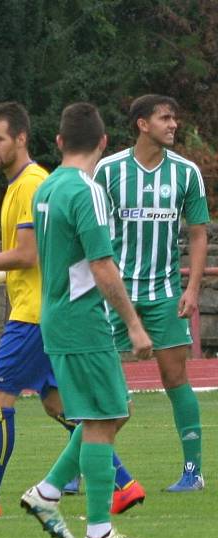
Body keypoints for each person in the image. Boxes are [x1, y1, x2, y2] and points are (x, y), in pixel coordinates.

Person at [0, 102, 143, 519]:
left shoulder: (36, 184)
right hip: (55, 315)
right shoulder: (30, 185)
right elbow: (47, 254)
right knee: (66, 406)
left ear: (23, 138)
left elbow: (32, 255)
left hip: (36, 315)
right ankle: (118, 485)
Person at [21, 102, 155, 538]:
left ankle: (47, 492)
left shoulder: (47, 187)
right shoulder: (86, 190)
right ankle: (99, 532)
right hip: (81, 318)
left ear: (59, 142)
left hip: (56, 314)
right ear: (103, 143)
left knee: (112, 412)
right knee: (104, 417)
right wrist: (133, 325)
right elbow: (101, 265)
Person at [94, 94, 209, 491]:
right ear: (142, 124)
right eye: (165, 118)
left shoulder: (186, 172)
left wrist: (192, 288)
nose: (173, 124)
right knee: (101, 383)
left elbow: (197, 233)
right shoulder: (108, 171)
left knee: (175, 377)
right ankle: (81, 467)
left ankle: (193, 473)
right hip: (115, 293)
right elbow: (90, 230)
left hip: (164, 292)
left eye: (174, 118)